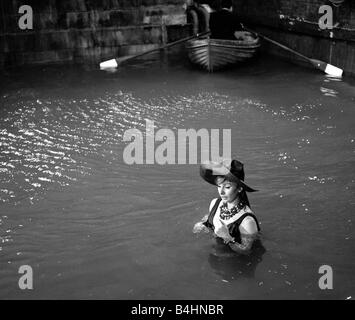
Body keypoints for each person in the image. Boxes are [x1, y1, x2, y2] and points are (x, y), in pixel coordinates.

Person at [193, 159, 261, 255]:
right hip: (213, 255)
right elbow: (209, 218)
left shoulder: (247, 221)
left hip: (233, 263)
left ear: (239, 188)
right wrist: (203, 223)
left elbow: (247, 251)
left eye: (227, 187)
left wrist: (227, 237)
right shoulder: (215, 203)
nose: (221, 192)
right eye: (219, 186)